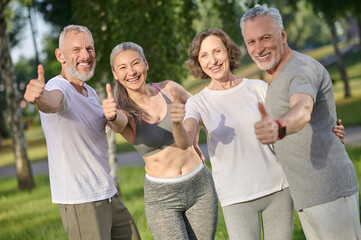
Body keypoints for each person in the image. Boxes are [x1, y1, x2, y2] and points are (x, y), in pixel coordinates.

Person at [179, 28, 345, 239]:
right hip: (235, 197)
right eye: (204, 55)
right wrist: (181, 130)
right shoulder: (198, 102)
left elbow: (295, 118)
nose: (213, 60)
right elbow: (188, 131)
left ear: (229, 52)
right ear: (198, 62)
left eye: (217, 51)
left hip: (278, 188)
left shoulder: (258, 88)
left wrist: (330, 131)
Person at [241, 5, 361, 239]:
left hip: (329, 188)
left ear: (283, 35)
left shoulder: (300, 69)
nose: (258, 48)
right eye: (251, 42)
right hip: (308, 194)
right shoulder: (276, 74)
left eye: (265, 38)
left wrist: (279, 127)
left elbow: (302, 108)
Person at [23, 25, 141, 240]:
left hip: (108, 193)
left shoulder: (90, 93)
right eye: (76, 50)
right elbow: (52, 102)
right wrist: (39, 98)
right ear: (60, 55)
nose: (85, 55)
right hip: (81, 201)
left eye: (90, 48)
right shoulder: (59, 87)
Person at [102, 41, 218, 240]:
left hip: (200, 185)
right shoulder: (124, 112)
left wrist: (194, 139)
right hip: (163, 197)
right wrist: (110, 115)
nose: (131, 71)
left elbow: (200, 113)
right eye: (123, 67)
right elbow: (118, 123)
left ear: (146, 64)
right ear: (115, 74)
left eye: (135, 63)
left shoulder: (169, 89)